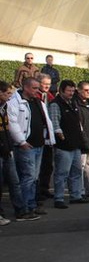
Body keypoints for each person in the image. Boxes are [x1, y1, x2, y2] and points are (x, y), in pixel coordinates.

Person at [7, 77, 54, 220]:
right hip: (25, 146)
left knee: (34, 177)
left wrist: (49, 139)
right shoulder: (15, 102)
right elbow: (13, 123)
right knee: (27, 177)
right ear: (26, 87)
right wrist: (21, 141)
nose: (37, 91)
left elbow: (46, 121)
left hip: (39, 144)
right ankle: (25, 208)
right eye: (34, 88)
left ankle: (32, 205)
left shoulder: (38, 102)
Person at [48, 80, 89, 208]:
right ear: (61, 91)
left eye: (73, 91)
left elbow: (78, 123)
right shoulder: (55, 104)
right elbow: (55, 123)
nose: (71, 93)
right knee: (62, 173)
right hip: (64, 145)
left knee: (76, 172)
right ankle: (59, 198)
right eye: (69, 91)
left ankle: (76, 195)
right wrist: (62, 138)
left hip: (75, 144)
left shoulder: (73, 103)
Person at [0, 81, 27, 224]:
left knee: (14, 182)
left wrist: (9, 147)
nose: (8, 95)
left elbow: (6, 131)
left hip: (6, 150)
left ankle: (21, 211)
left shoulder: (4, 108)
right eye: (5, 93)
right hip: (2, 150)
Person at [36, 73, 55, 199]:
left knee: (48, 164)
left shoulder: (50, 96)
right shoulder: (35, 96)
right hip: (38, 134)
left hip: (48, 134)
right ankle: (37, 191)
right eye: (44, 83)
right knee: (38, 165)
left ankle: (45, 187)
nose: (47, 86)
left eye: (49, 84)